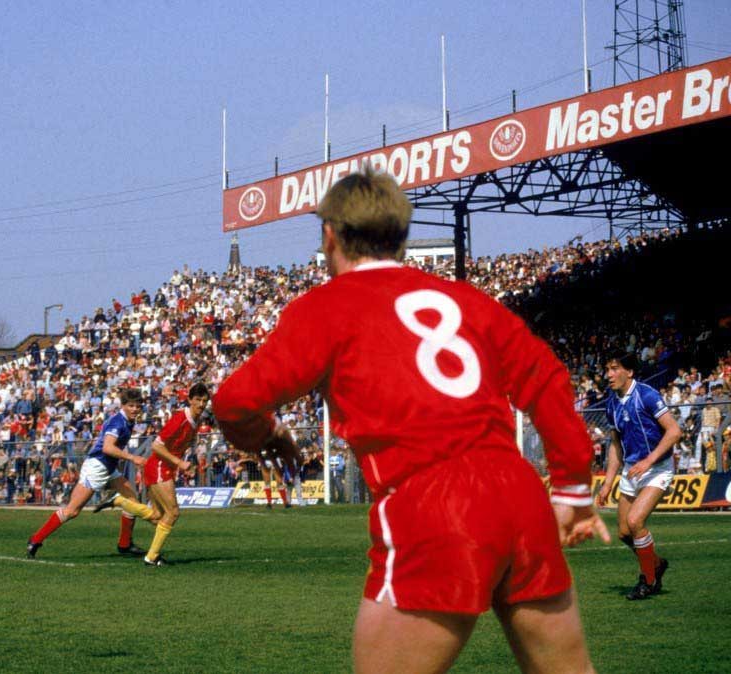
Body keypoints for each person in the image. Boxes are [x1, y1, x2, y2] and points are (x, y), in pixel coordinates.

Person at [212, 170, 609, 673]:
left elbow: (232, 401)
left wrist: (265, 435)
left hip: (433, 503)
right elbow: (546, 377)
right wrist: (573, 488)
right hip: (520, 494)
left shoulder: (326, 307)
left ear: (330, 235)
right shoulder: (468, 300)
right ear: (401, 234)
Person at [26, 388, 158, 558]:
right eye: (131, 405)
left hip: (108, 468)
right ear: (123, 405)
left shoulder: (128, 421)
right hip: (97, 468)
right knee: (72, 511)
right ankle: (36, 539)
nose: (134, 409)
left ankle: (125, 544)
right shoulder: (117, 422)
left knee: (131, 499)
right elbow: (107, 447)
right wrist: (133, 458)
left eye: (137, 406)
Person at [597, 352, 681, 600]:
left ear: (629, 372)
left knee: (635, 522)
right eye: (607, 369)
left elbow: (674, 431)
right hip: (632, 470)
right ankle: (655, 563)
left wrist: (649, 460)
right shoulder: (611, 403)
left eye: (614, 368)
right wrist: (608, 483)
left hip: (657, 469)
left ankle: (649, 580)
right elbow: (615, 446)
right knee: (624, 532)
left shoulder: (646, 395)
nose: (608, 374)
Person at [137, 382, 209, 566]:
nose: (201, 404)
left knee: (157, 516)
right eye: (198, 400)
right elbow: (156, 445)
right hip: (159, 466)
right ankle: (151, 557)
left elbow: (185, 445)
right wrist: (179, 462)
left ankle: (119, 501)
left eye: (204, 401)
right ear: (190, 400)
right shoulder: (180, 419)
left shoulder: (195, 421)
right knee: (173, 512)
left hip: (165, 467)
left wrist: (193, 460)